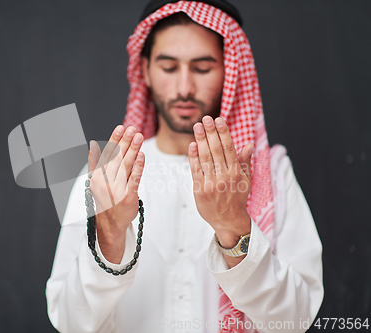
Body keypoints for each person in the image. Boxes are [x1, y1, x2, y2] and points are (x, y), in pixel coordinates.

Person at [46, 1, 324, 332]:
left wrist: (234, 227)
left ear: (229, 70)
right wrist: (108, 236)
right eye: (168, 67)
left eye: (203, 68)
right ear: (145, 70)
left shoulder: (270, 174)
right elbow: (70, 323)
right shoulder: (108, 177)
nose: (184, 88)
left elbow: (295, 322)